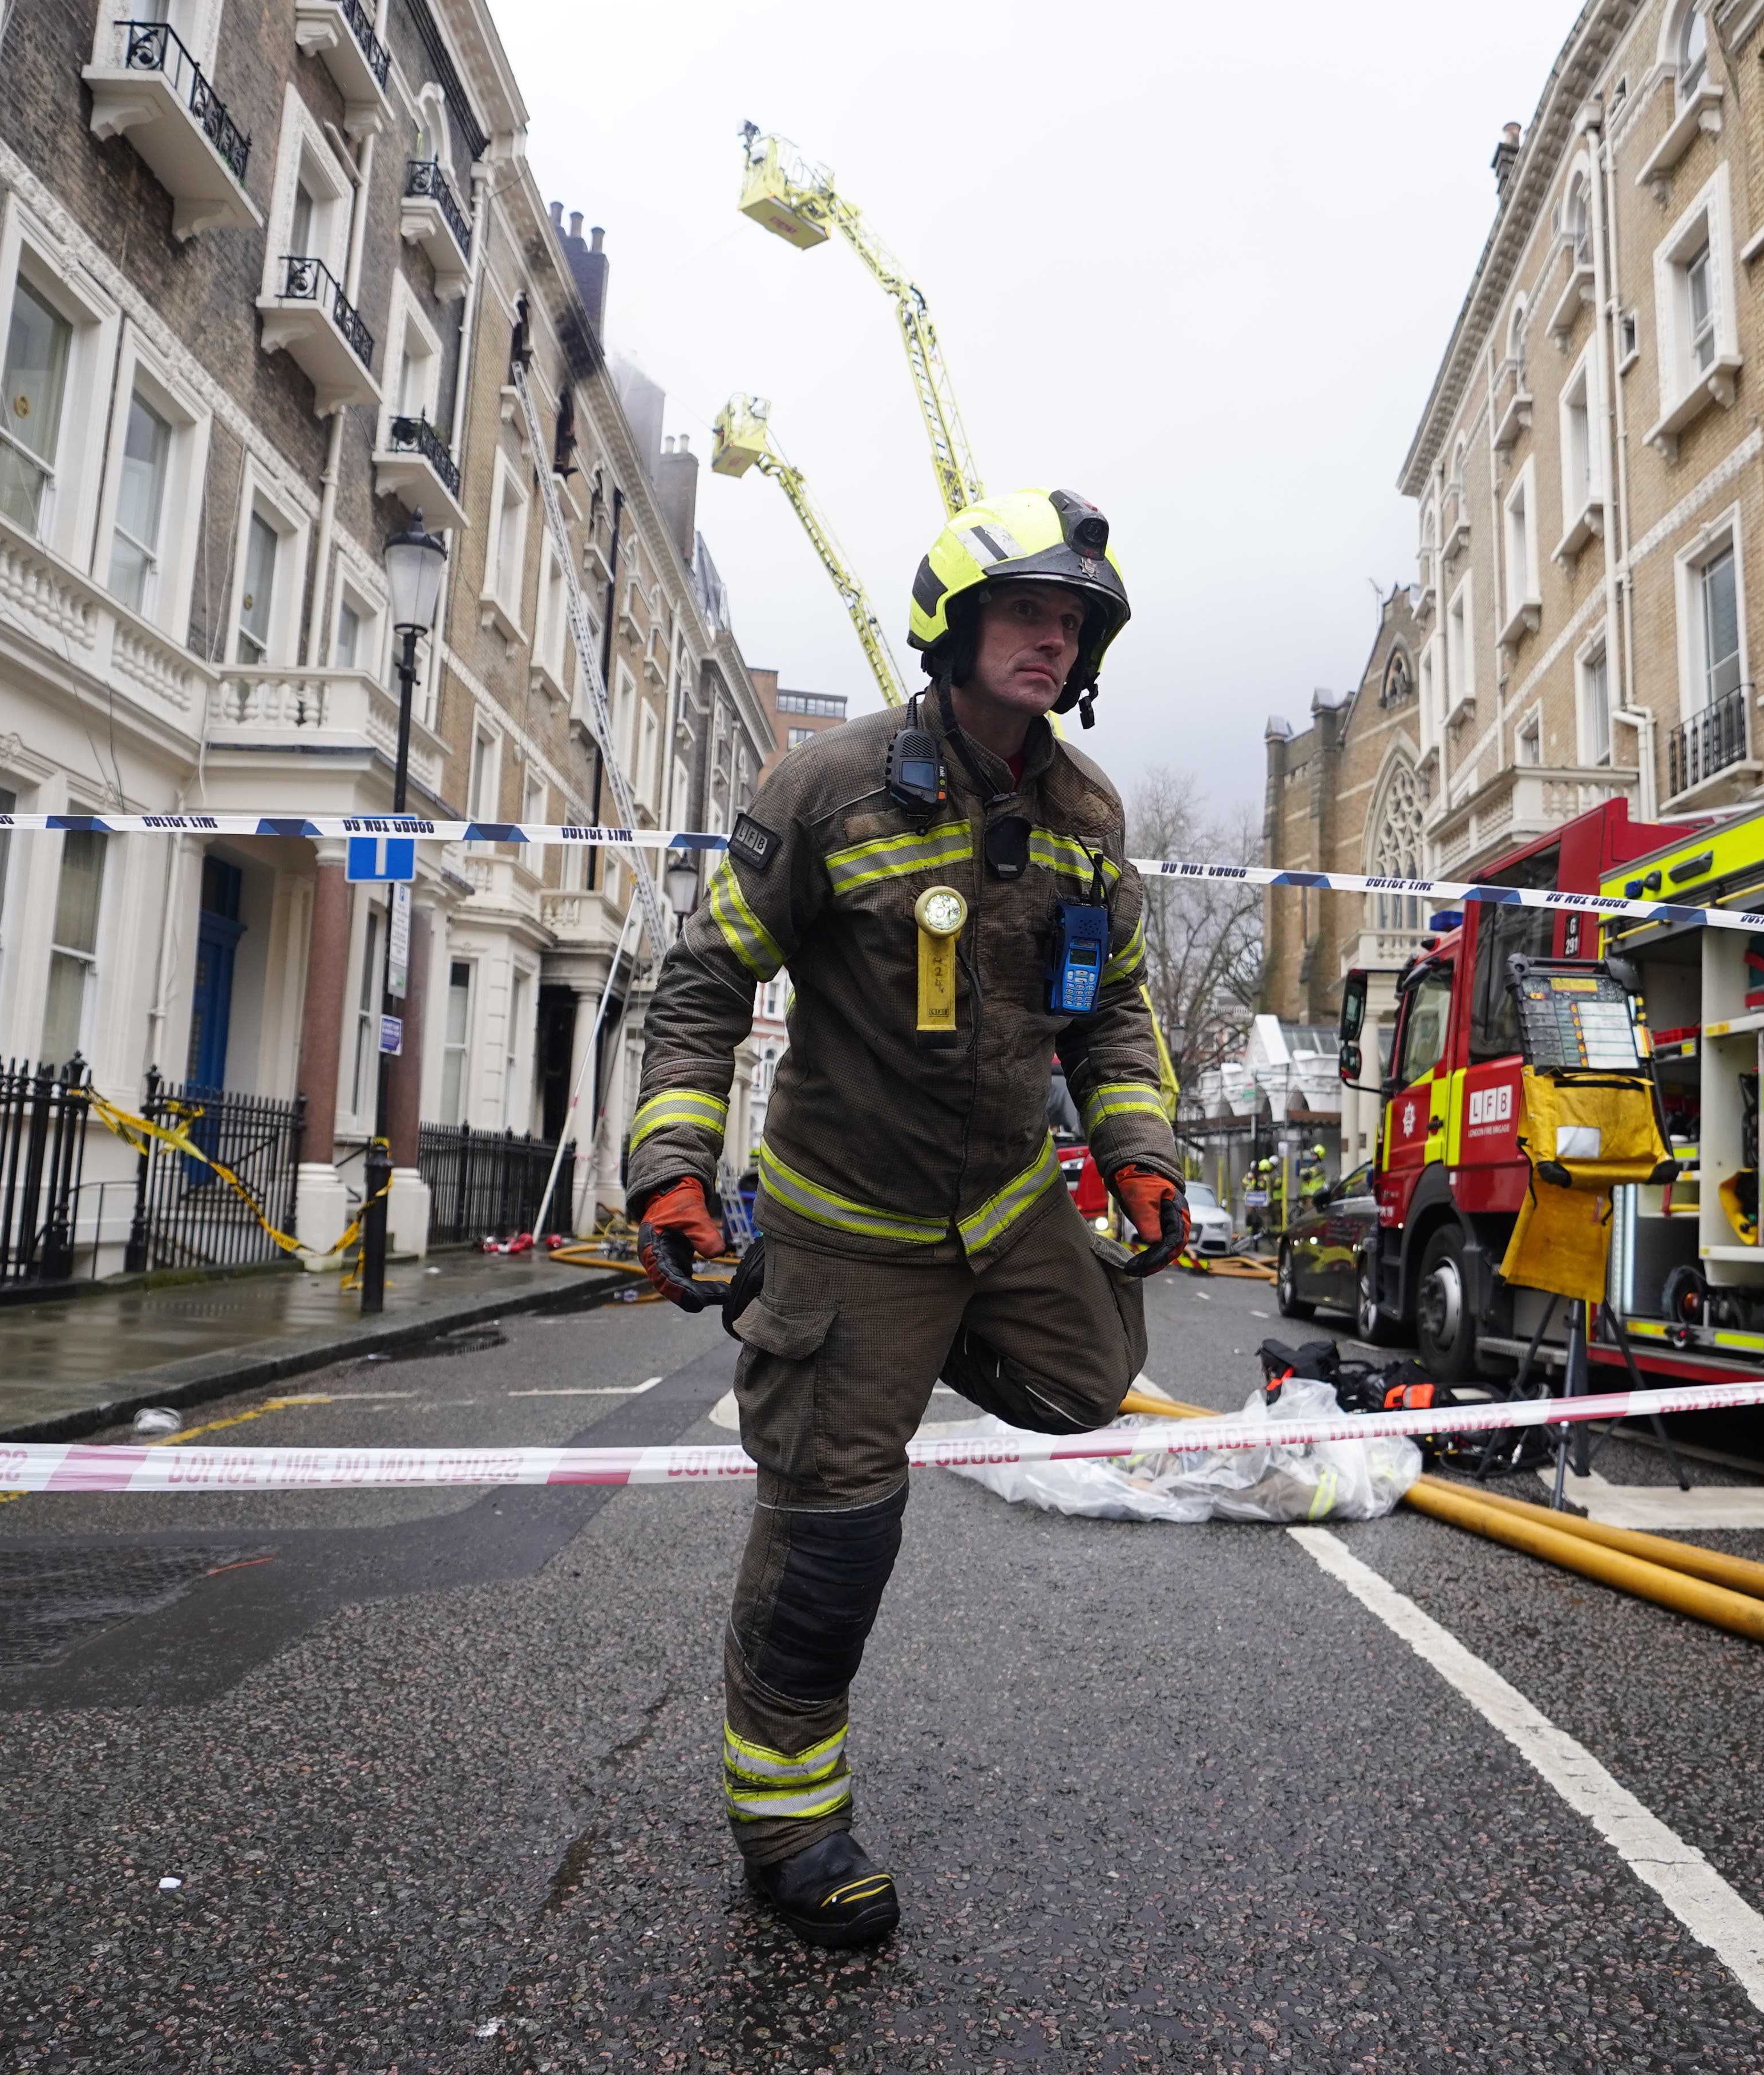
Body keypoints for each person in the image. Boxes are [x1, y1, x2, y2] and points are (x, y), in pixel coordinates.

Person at [624, 488, 1186, 1949]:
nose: (1051, 640)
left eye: (1071, 623)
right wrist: (673, 1168)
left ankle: (879, 1365)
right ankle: (790, 1828)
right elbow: (699, 987)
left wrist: (1139, 1155)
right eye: (1025, 612)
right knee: (834, 1530)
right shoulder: (827, 788)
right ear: (952, 626)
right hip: (847, 1218)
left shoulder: (1085, 814)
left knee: (1086, 1382)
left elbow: (1112, 1011)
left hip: (1000, 1207)